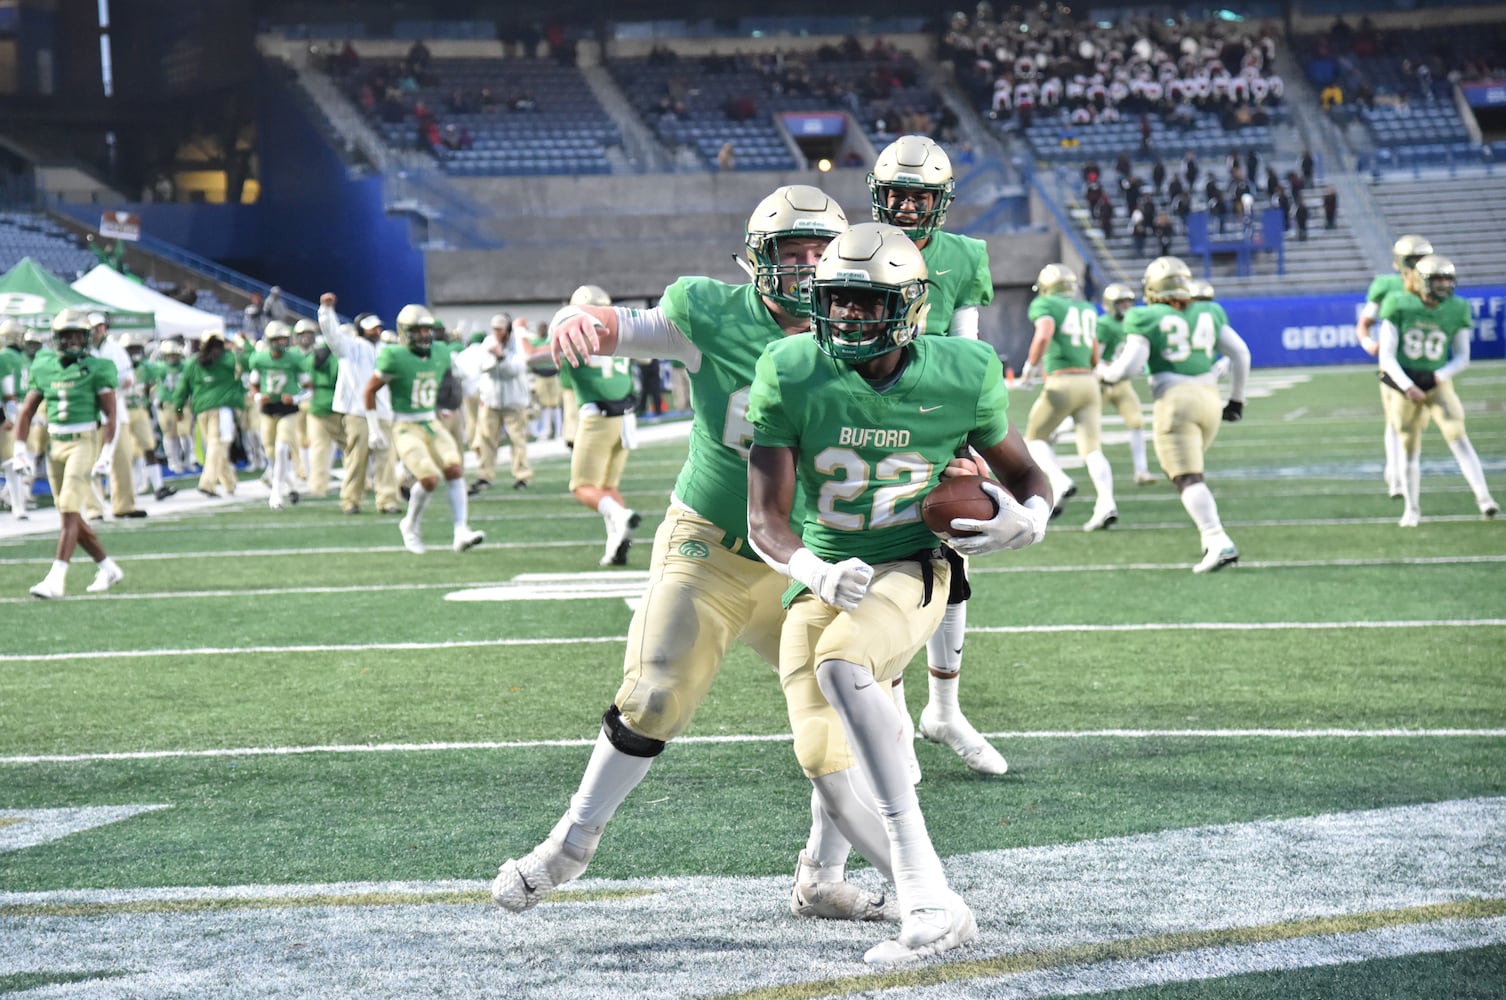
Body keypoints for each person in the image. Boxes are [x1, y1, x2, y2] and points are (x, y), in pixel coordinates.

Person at [491, 184, 896, 925]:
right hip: (711, 541)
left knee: (859, 721)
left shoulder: (873, 333)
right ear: (758, 260)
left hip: (815, 560)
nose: (806, 267)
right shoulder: (708, 312)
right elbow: (617, 326)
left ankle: (823, 877)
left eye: (818, 252)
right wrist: (574, 320)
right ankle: (570, 845)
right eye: (790, 252)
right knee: (654, 692)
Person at [746, 223, 1050, 964]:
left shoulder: (963, 369)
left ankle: (921, 901)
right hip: (823, 575)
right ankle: (935, 902)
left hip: (913, 565)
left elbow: (1029, 475)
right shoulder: (789, 367)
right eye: (837, 300)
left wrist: (1029, 520)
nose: (846, 316)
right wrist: (813, 572)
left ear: (911, 306)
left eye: (863, 301)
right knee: (824, 761)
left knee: (844, 665)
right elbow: (764, 521)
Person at [867, 133, 1002, 778]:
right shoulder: (854, 249)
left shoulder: (964, 254)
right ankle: (889, 715)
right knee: (871, 570)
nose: (907, 207)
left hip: (932, 423)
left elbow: (967, 356)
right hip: (861, 421)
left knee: (949, 562)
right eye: (896, 194)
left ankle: (944, 709)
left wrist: (967, 441)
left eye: (919, 196)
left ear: (941, 200)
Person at [1097, 256, 1250, 573]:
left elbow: (1131, 367)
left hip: (1176, 399)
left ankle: (1217, 538)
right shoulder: (1208, 310)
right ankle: (1210, 540)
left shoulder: (1145, 316)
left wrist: (1107, 374)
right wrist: (1236, 400)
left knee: (1186, 477)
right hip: (1210, 399)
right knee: (1191, 472)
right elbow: (1240, 353)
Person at [1376, 255, 1498, 525]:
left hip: (1436, 381)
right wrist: (1408, 386)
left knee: (1458, 434)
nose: (1444, 285)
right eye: (1437, 279)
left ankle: (1484, 498)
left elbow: (1463, 357)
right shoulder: (1398, 303)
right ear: (1421, 281)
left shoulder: (1456, 308)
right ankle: (1412, 509)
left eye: (1447, 279)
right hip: (1405, 383)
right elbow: (1386, 355)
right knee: (1409, 446)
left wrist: (1434, 378)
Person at [12, 309, 125, 597]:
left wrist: (107, 454)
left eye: (78, 335)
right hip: (54, 444)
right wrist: (20, 449)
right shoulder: (45, 365)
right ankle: (108, 567)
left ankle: (56, 578)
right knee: (69, 512)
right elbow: (26, 411)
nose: (74, 341)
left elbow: (111, 416)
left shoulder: (98, 367)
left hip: (83, 442)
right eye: (67, 336)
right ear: (57, 338)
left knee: (69, 509)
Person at [363, 304, 484, 555]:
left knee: (454, 468)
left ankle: (460, 531)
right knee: (428, 478)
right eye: (418, 331)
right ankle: (409, 525)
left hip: (430, 421)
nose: (424, 336)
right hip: (405, 424)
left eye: (427, 330)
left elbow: (446, 380)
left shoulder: (440, 352)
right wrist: (374, 429)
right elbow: (369, 391)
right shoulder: (394, 356)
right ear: (405, 332)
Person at [1016, 263, 1117, 529]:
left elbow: (1044, 334)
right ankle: (1106, 502)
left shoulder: (1046, 305)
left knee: (1035, 438)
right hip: (1089, 382)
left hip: (1063, 381)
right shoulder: (1086, 308)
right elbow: (1095, 352)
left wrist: (1029, 368)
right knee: (1092, 449)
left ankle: (1060, 481)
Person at [557, 284, 641, 567]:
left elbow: (533, 356)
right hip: (627, 418)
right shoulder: (621, 334)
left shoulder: (574, 336)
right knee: (608, 485)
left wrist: (519, 331)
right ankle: (615, 542)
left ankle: (620, 516)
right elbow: (648, 356)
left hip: (598, 416)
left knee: (582, 486)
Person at [1356, 234, 1432, 500]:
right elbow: (1365, 322)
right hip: (1393, 363)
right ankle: (1396, 476)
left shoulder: (1434, 285)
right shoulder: (1386, 285)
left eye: (1421, 259)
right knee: (1394, 421)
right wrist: (1368, 343)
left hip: (1423, 364)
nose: (1417, 265)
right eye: (1412, 259)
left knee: (1417, 424)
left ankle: (1399, 472)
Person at [318, 298, 400, 515]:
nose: (377, 330)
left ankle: (388, 499)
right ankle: (351, 499)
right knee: (357, 457)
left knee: (386, 458)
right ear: (362, 330)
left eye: (378, 327)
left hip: (384, 411)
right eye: (372, 327)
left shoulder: (387, 349)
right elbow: (332, 335)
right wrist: (326, 311)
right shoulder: (350, 347)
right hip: (358, 412)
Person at [1095, 283, 1156, 485]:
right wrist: (1101, 369)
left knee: (1137, 422)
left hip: (1121, 382)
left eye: (1129, 301)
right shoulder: (1104, 324)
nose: (1126, 306)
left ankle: (1141, 471)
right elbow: (1095, 354)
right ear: (1109, 304)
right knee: (1079, 422)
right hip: (1100, 382)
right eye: (1121, 302)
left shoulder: (1136, 321)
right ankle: (1048, 442)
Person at [172, 330, 245, 498]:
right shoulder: (228, 359)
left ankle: (229, 483)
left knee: (215, 448)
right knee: (217, 446)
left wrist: (178, 408)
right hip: (221, 409)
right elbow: (245, 361)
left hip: (201, 411)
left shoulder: (193, 362)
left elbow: (183, 388)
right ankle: (207, 483)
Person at [87, 313, 145, 519]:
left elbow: (128, 378)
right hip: (91, 410)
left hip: (116, 407)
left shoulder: (115, 349)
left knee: (122, 458)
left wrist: (113, 386)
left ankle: (124, 505)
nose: (97, 330)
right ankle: (94, 508)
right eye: (94, 327)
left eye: (100, 326)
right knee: (90, 460)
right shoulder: (85, 351)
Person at [248, 320, 310, 510]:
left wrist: (296, 398)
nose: (283, 343)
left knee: (283, 449)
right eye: (279, 339)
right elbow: (253, 384)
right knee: (271, 453)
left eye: (285, 339)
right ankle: (291, 485)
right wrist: (259, 396)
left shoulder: (294, 359)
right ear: (270, 340)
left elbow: (309, 389)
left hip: (288, 410)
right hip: (268, 410)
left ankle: (276, 494)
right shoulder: (260, 359)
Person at [471, 312, 534, 494]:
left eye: (500, 329)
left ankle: (522, 475)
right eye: (494, 329)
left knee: (518, 439)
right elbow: (482, 366)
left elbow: (516, 369)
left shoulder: (518, 344)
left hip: (515, 402)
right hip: (491, 401)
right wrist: (497, 360)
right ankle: (484, 475)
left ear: (507, 330)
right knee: (486, 440)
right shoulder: (488, 343)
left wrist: (501, 358)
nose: (496, 333)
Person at [118, 333, 175, 502]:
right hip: (122, 411)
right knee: (126, 451)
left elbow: (158, 375)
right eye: (131, 349)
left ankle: (158, 487)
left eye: (137, 348)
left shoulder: (145, 367)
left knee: (148, 446)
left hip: (140, 409)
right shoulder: (118, 365)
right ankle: (129, 490)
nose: (134, 352)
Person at [303, 322, 343, 498]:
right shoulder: (337, 356)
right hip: (336, 405)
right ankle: (360, 482)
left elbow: (305, 378)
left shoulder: (311, 356)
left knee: (319, 449)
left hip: (316, 404)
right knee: (350, 447)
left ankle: (318, 486)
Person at [153, 339, 193, 475]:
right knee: (170, 433)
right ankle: (173, 461)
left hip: (181, 404)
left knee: (185, 432)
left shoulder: (185, 366)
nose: (172, 357)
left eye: (174, 354)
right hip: (167, 404)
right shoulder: (160, 367)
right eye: (169, 354)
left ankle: (187, 459)